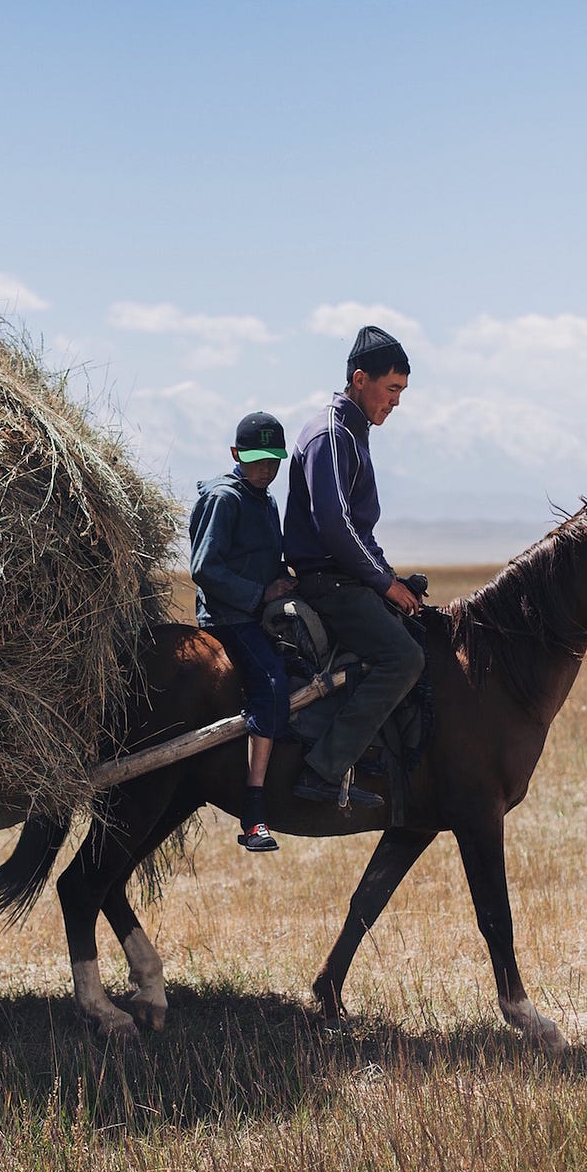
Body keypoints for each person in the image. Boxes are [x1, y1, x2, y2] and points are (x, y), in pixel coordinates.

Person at [283, 325, 425, 807]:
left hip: (347, 576)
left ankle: (378, 759)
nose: (396, 403)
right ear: (360, 379)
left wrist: (394, 580)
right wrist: (384, 585)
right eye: (392, 390)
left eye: (402, 392)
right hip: (330, 583)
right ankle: (325, 771)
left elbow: (360, 532)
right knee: (403, 658)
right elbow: (335, 526)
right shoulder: (332, 434)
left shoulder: (351, 432)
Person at [188, 412, 296, 851]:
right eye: (257, 461)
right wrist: (260, 593)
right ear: (237, 455)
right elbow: (203, 567)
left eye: (273, 461)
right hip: (229, 618)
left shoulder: (265, 499)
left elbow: (267, 556)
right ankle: (254, 811)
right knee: (271, 685)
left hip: (256, 610)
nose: (266, 469)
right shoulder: (225, 499)